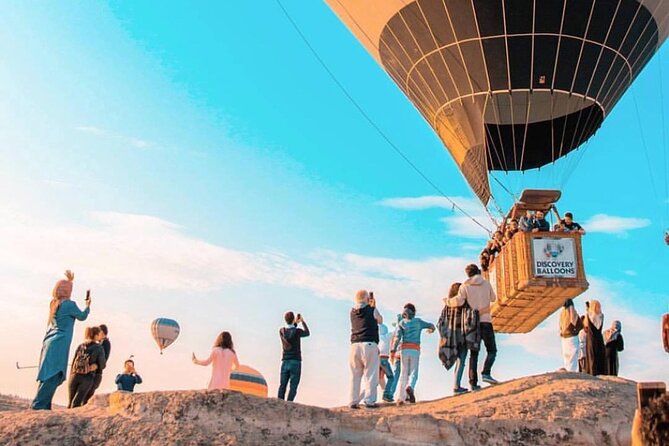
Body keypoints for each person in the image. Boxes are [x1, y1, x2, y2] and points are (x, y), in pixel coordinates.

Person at [31, 271, 91, 410]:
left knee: (47, 374)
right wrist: (88, 306)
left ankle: (43, 404)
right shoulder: (70, 305)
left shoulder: (54, 303)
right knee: (55, 374)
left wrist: (70, 280)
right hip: (60, 342)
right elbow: (82, 316)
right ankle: (39, 405)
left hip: (50, 340)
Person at [446, 264, 498, 389]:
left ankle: (473, 383)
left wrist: (447, 301)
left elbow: (459, 301)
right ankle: (486, 372)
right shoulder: (486, 284)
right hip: (486, 320)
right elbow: (493, 298)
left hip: (472, 323)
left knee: (474, 353)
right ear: (478, 272)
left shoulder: (465, 286)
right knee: (492, 350)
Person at [391, 303, 435, 405]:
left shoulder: (401, 323)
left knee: (403, 373)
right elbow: (432, 325)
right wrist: (430, 330)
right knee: (414, 372)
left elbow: (397, 338)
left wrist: (393, 350)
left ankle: (401, 398)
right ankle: (410, 386)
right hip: (415, 349)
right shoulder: (418, 322)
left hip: (404, 349)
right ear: (414, 312)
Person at [437, 282, 476, 395]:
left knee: (456, 358)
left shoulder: (447, 306)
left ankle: (456, 385)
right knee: (461, 360)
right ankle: (456, 385)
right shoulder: (464, 304)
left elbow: (440, 322)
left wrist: (444, 335)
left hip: (450, 336)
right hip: (462, 335)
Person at [348, 289, 383, 409]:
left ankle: (353, 401)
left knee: (355, 375)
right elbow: (380, 320)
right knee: (371, 373)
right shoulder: (372, 309)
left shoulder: (352, 312)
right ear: (367, 299)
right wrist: (374, 306)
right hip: (368, 344)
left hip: (354, 345)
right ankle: (369, 400)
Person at [68, 326, 106, 408]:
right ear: (96, 335)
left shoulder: (80, 346)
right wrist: (96, 365)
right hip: (87, 376)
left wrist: (71, 374)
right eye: (99, 334)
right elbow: (102, 365)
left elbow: (74, 360)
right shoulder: (99, 347)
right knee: (77, 403)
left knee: (70, 402)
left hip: (74, 375)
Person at [277, 311, 310, 402]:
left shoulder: (282, 331)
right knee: (293, 386)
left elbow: (290, 330)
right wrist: (302, 322)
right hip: (296, 361)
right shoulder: (298, 331)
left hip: (285, 361)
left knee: (282, 384)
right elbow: (307, 333)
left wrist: (295, 323)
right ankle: (289, 403)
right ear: (293, 319)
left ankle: (279, 402)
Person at [83, 324, 111, 404]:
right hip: (91, 372)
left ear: (103, 332)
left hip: (96, 373)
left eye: (99, 332)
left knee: (87, 395)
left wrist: (97, 366)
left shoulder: (105, 343)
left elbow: (104, 359)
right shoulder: (99, 344)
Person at [583, 300, 606, 376]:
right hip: (599, 337)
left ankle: (592, 373)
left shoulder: (589, 315)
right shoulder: (601, 315)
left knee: (592, 356)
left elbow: (586, 325)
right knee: (599, 356)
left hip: (591, 338)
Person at [559, 299, 582, 372]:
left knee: (567, 357)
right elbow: (573, 320)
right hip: (571, 336)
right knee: (573, 356)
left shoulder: (562, 313)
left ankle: (570, 371)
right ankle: (572, 372)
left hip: (564, 337)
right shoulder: (571, 312)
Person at [386, 314, 402, 403]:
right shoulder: (407, 330)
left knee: (396, 375)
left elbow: (392, 345)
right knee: (406, 375)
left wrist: (391, 355)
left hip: (396, 355)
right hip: (405, 353)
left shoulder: (394, 333)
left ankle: (390, 394)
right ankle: (404, 395)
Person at [378, 323, 395, 403]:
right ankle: (386, 394)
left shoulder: (377, 338)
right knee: (391, 377)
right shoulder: (387, 336)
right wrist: (397, 323)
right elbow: (395, 332)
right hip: (384, 359)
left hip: (377, 359)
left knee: (378, 378)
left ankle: (367, 395)